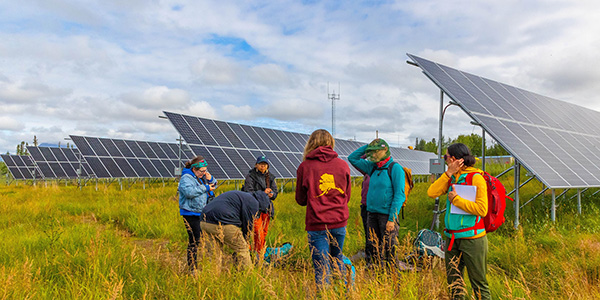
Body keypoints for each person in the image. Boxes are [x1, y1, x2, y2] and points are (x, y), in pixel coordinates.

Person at [427, 143, 490, 300]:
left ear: (453, 159)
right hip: (452, 239)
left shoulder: (476, 178)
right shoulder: (451, 177)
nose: (445, 159)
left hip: (472, 240)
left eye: (445, 157)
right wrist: (448, 173)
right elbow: (431, 192)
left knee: (478, 283)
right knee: (454, 283)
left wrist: (457, 200)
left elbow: (482, 210)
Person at [295, 129, 351, 288]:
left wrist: (315, 198)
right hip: (339, 222)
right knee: (337, 259)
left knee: (321, 268)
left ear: (311, 143)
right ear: (330, 143)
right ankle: (342, 293)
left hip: (317, 224)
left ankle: (325, 295)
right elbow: (347, 196)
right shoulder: (343, 165)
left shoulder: (305, 167)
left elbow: (300, 199)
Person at [348, 138, 405, 267]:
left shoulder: (394, 169)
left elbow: (399, 195)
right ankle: (375, 273)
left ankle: (391, 276)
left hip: (387, 216)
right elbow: (353, 158)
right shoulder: (372, 167)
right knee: (373, 246)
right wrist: (369, 146)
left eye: (375, 152)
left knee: (389, 247)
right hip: (371, 214)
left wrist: (392, 219)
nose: (372, 155)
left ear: (385, 150)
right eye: (371, 152)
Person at [200, 190, 273, 268]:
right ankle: (247, 275)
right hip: (223, 222)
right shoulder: (254, 203)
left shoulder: (243, 195)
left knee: (214, 253)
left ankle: (213, 277)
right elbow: (247, 224)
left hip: (204, 221)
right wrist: (245, 240)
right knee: (242, 249)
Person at [178, 156, 217, 273]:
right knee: (194, 240)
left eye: (205, 170)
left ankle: (200, 264)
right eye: (202, 171)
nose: (204, 173)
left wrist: (211, 180)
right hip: (190, 213)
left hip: (201, 211)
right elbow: (189, 192)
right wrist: (205, 187)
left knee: (202, 239)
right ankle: (192, 268)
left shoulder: (200, 177)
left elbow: (213, 187)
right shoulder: (186, 178)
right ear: (194, 169)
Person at [242, 155, 278, 254]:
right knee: (258, 232)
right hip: (255, 208)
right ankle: (258, 254)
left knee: (264, 232)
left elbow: (275, 192)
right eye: (261, 164)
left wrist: (272, 194)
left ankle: (258, 251)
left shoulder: (270, 177)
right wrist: (263, 193)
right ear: (256, 165)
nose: (263, 166)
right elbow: (248, 192)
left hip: (266, 208)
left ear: (268, 166)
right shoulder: (251, 176)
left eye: (265, 164)